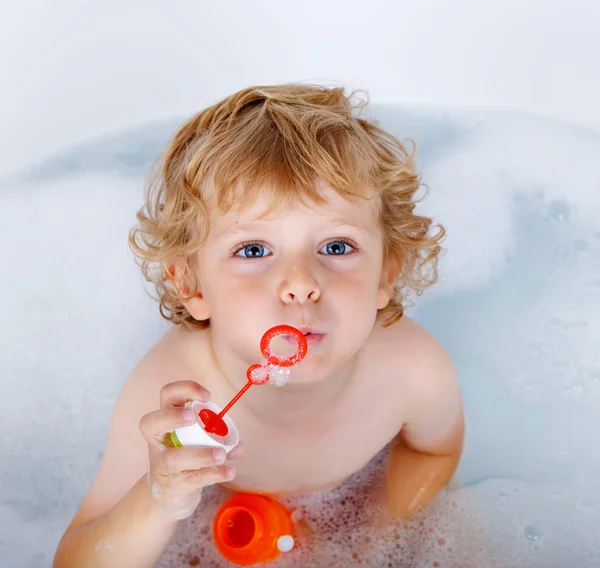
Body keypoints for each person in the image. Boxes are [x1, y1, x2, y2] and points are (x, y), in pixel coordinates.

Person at [53, 83, 464, 567]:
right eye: (253, 250)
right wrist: (161, 498)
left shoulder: (413, 371)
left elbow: (433, 453)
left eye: (336, 247)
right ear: (192, 285)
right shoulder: (171, 403)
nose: (300, 283)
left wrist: (371, 536)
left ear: (387, 274)